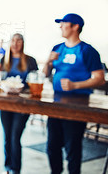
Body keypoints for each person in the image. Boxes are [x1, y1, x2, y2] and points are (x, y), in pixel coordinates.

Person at [43, 13, 105, 174]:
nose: (60, 27)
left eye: (64, 24)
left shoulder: (87, 51)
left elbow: (100, 79)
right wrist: (48, 61)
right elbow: (45, 73)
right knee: (52, 146)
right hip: (56, 104)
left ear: (75, 26)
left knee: (72, 147)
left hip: (78, 104)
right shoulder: (57, 48)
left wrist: (75, 85)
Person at [0, 33, 38, 174]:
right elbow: (0, 79)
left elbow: (35, 80)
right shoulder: (4, 60)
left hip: (23, 104)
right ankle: (7, 167)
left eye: (19, 41)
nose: (15, 44)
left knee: (15, 136)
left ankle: (15, 169)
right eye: (13, 41)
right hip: (5, 103)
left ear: (23, 43)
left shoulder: (30, 60)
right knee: (7, 136)